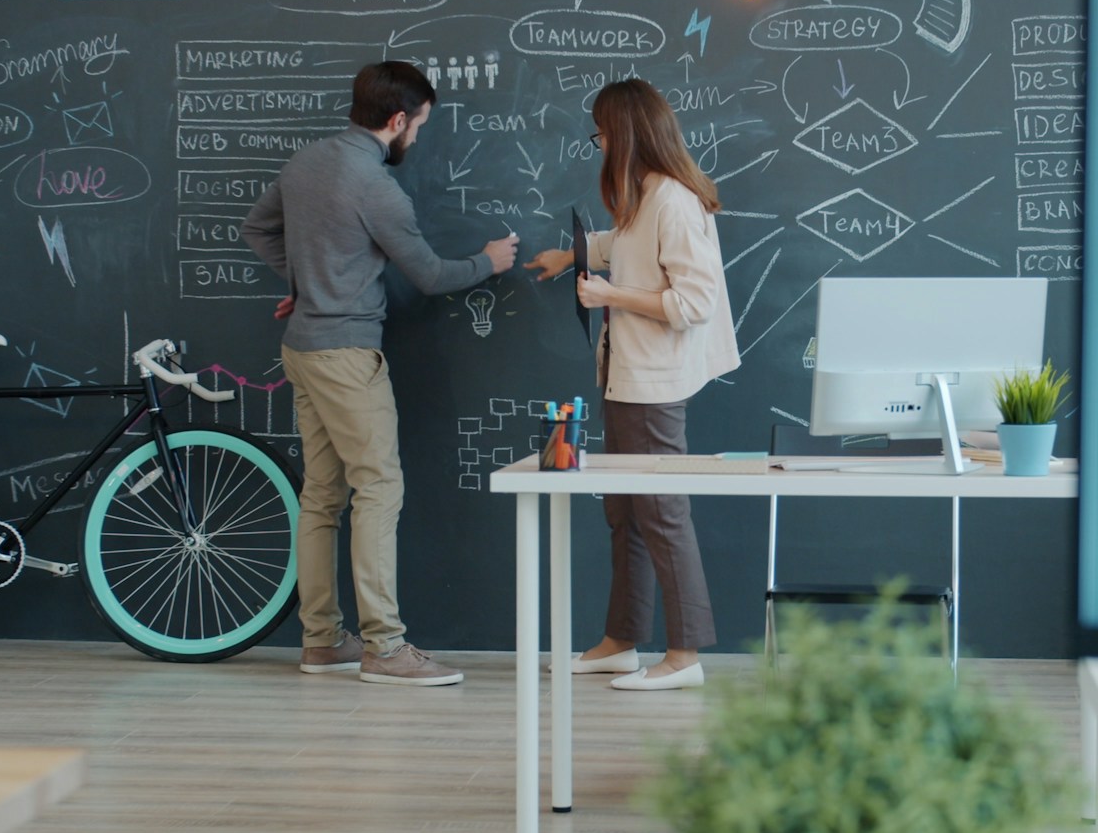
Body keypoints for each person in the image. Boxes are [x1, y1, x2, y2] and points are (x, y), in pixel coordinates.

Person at [242, 60, 518, 685]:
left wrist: (303, 281)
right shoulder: (376, 187)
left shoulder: (305, 162)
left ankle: (320, 641)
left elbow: (256, 227)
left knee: (321, 497)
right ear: (397, 120)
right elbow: (431, 276)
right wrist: (490, 261)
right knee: (379, 489)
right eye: (418, 125)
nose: (416, 137)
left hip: (302, 349)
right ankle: (385, 648)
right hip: (345, 356)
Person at [523, 78, 739, 691]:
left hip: (652, 382)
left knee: (662, 513)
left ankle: (684, 656)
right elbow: (625, 244)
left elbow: (695, 300)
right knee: (626, 512)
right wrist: (571, 256)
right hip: (625, 375)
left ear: (625, 133)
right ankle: (621, 641)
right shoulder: (646, 197)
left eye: (601, 133)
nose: (598, 145)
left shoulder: (671, 199)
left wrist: (607, 293)